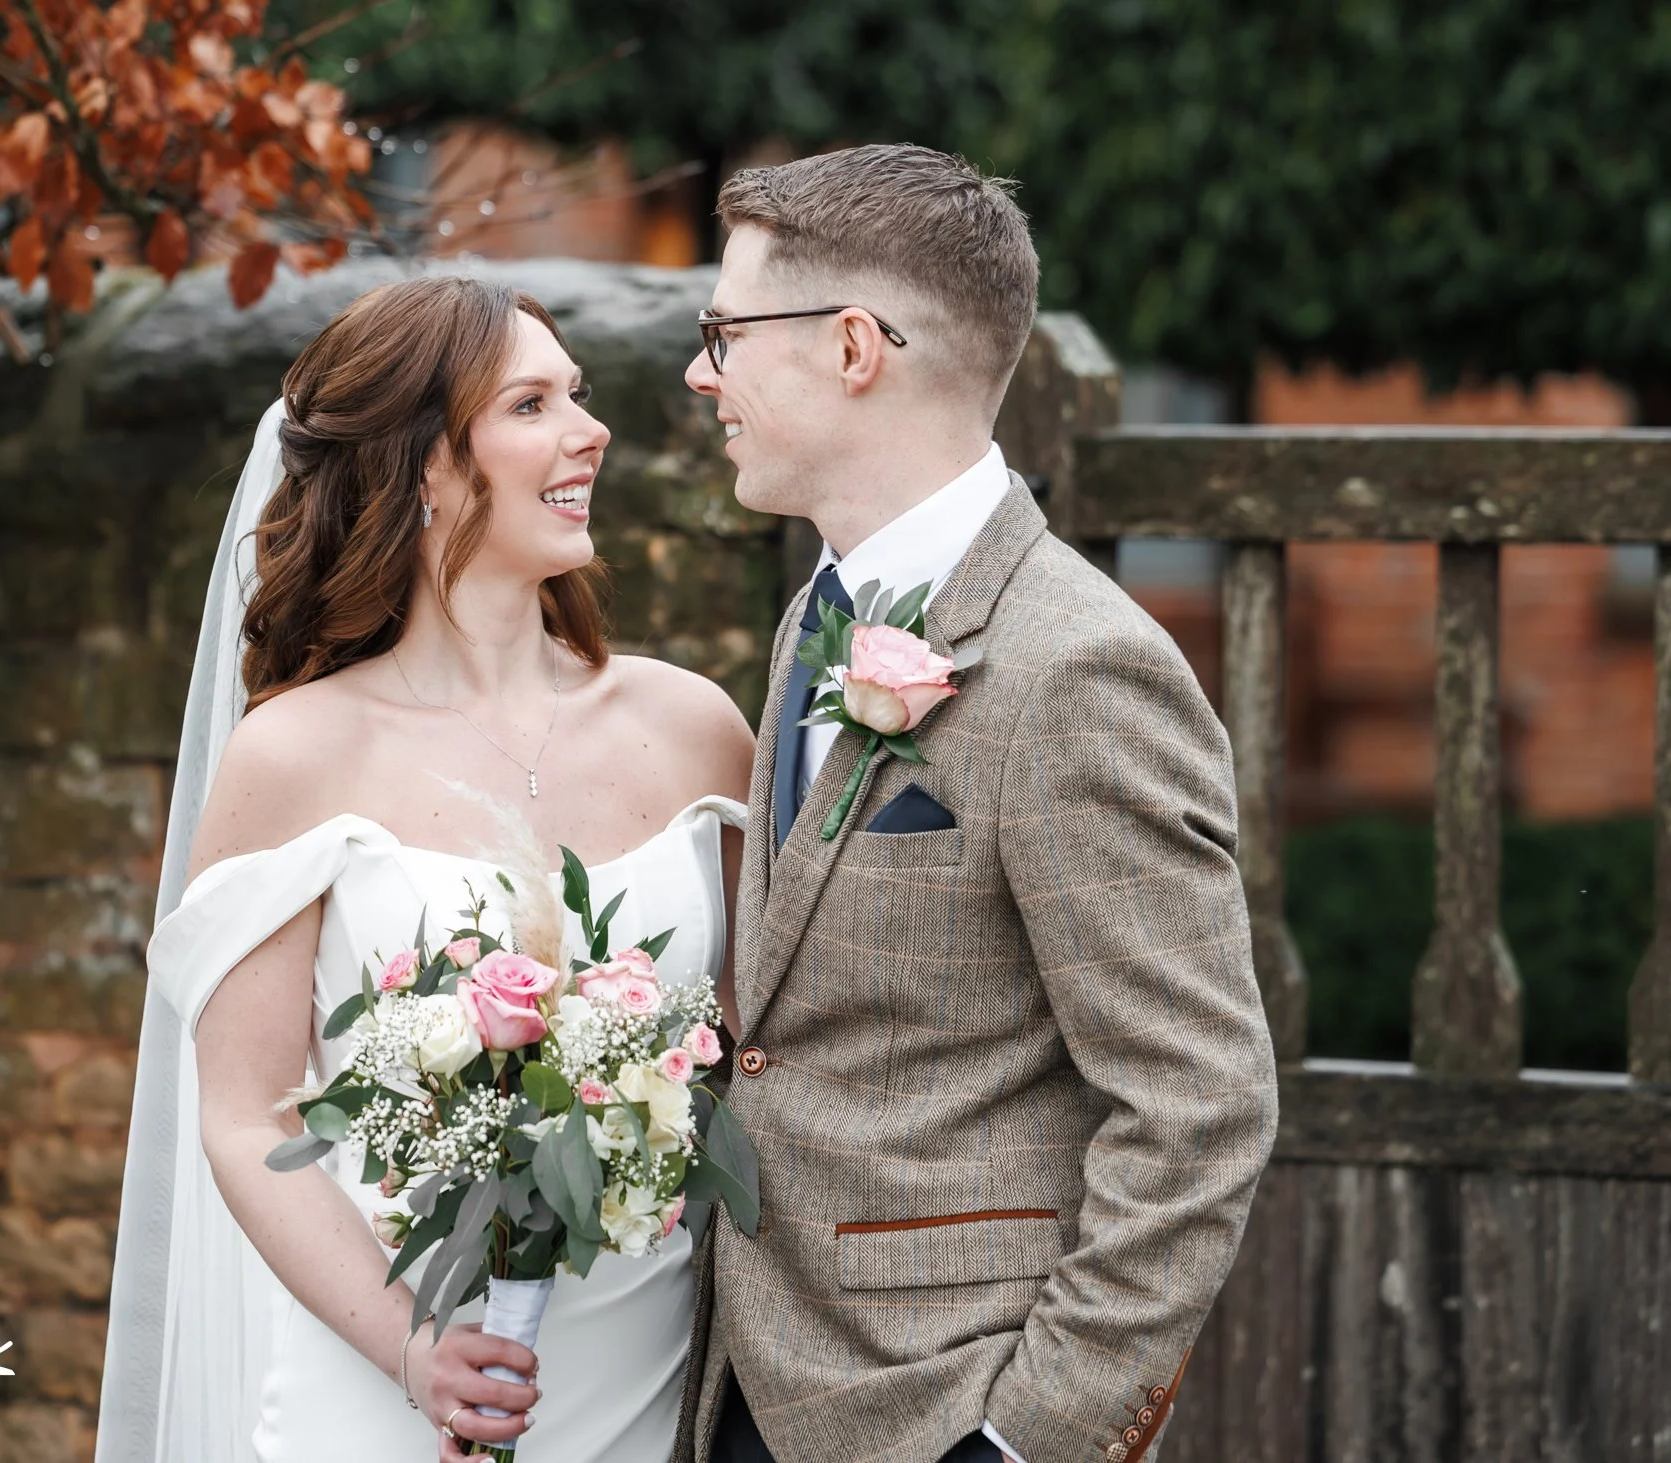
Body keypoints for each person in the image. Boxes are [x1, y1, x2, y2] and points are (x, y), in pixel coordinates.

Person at [675, 144, 1280, 1463]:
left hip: (942, 1404)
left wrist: (1023, 1438)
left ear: (851, 347)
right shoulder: (815, 612)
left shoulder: (1080, 668)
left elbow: (1197, 1106)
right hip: (743, 1381)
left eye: (724, 333)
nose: (699, 373)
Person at [94, 275, 754, 1462]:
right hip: (385, 1389)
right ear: (423, 468)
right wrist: (413, 1351)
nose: (591, 430)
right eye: (532, 404)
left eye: (577, 394)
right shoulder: (294, 754)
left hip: (644, 1378)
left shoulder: (694, 727)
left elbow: (761, 1050)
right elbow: (243, 1116)